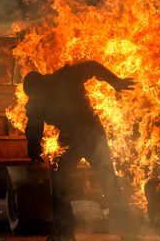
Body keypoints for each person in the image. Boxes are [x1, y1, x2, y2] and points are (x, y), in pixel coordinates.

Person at [23, 61, 135, 241]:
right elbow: (34, 126)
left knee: (66, 182)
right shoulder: (61, 79)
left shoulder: (58, 82)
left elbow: (91, 66)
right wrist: (115, 81)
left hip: (86, 136)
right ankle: (126, 230)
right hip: (84, 136)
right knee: (107, 180)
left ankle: (66, 233)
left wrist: (115, 81)